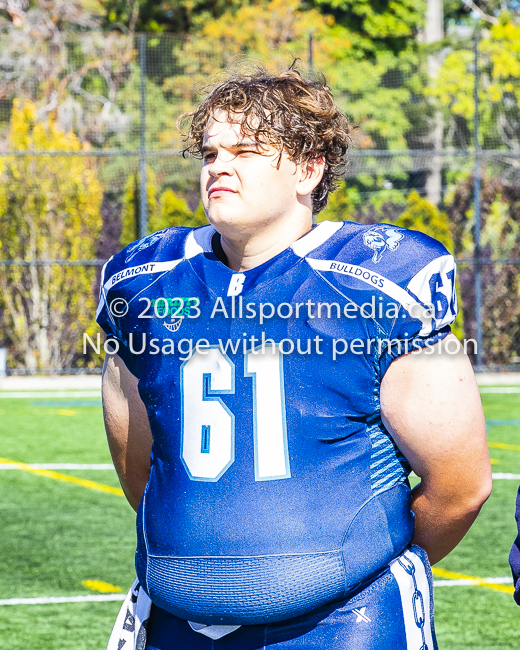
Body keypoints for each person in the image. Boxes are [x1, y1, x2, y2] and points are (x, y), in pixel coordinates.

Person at [97, 67, 492, 650]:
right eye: (210, 153)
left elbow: (460, 485)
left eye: (246, 151)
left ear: (308, 170)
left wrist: (343, 565)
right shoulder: (145, 282)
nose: (218, 167)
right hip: (175, 620)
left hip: (345, 623)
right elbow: (140, 463)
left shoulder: (376, 282)